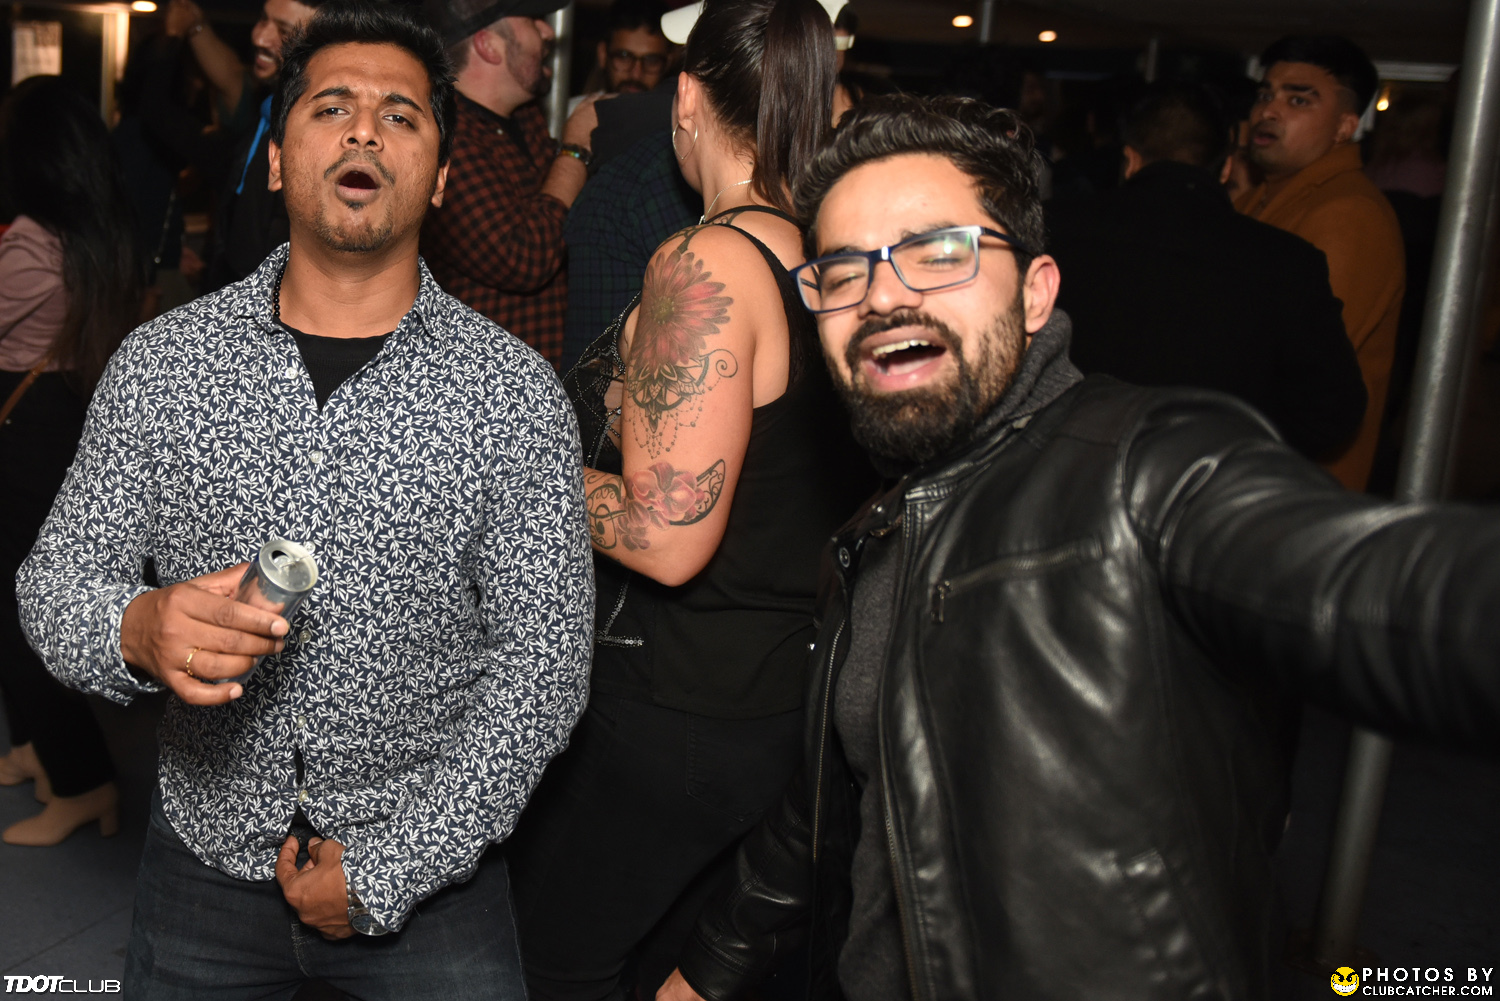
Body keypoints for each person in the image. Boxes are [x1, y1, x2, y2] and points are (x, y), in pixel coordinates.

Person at [655, 94, 1500, 1001]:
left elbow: (1392, 593)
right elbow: (839, 789)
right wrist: (711, 965)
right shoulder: (878, 525)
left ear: (1036, 292)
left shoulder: (1143, 470)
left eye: (938, 252)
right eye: (844, 270)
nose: (885, 294)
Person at [17, 3, 593, 997]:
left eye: (401, 115)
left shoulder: (510, 394)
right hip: (203, 864)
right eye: (332, 107)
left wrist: (392, 867)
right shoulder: (165, 365)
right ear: (279, 160)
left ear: (441, 176)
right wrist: (135, 627)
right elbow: (54, 579)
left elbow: (542, 667)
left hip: (429, 877)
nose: (365, 129)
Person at [504, 1, 875, 999]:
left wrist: (513, 466)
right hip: (772, 702)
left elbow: (665, 534)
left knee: (545, 967)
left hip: (673, 711)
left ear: (686, 98)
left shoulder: (706, 261)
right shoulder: (826, 261)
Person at [1047, 81, 1367, 461]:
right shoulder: (1286, 261)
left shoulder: (1051, 228)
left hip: (1059, 467)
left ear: (1130, 160)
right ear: (1227, 167)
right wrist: (1238, 449)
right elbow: (1332, 413)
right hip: (1200, 480)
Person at [0, 76, 144, 847]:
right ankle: (36, 749)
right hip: (61, 416)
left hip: (25, 428)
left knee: (21, 612)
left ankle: (82, 782)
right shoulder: (101, 230)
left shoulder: (30, 245)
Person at [1236, 35, 1405, 491]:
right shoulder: (1258, 197)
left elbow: (1302, 370)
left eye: (1298, 100)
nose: (1269, 111)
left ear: (1345, 126)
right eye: (1265, 95)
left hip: (1297, 484)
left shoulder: (1349, 213)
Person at [419, 0, 600, 367]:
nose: (547, 31)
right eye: (532, 21)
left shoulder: (526, 117)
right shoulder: (445, 140)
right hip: (486, 382)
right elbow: (524, 259)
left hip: (549, 374)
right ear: (488, 45)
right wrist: (575, 149)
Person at [196, 0, 326, 291]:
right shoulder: (268, 109)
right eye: (263, 20)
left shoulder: (321, 136)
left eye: (283, 30)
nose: (259, 37)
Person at [570, 0, 670, 112]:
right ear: (603, 54)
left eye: (651, 60)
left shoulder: (677, 120)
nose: (636, 75)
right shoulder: (569, 114)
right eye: (624, 57)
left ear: (668, 61)